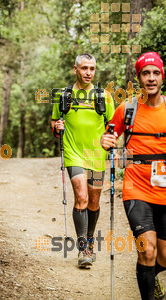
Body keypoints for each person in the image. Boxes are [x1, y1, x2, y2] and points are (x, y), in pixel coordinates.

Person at [101, 51, 166, 299]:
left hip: (165, 189)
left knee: (162, 257)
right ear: (138, 78)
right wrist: (106, 142)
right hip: (136, 188)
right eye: (145, 73)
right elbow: (109, 137)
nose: (151, 78)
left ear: (162, 76)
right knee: (147, 251)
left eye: (155, 73)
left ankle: (150, 276)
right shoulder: (127, 109)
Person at [51, 53, 114, 268]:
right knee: (81, 196)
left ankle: (88, 240)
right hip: (73, 151)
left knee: (94, 201)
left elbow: (113, 126)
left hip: (96, 154)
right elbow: (54, 121)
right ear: (75, 69)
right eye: (84, 68)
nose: (88, 72)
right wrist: (56, 127)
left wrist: (110, 138)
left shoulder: (103, 96)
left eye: (92, 69)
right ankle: (83, 250)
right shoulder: (65, 95)